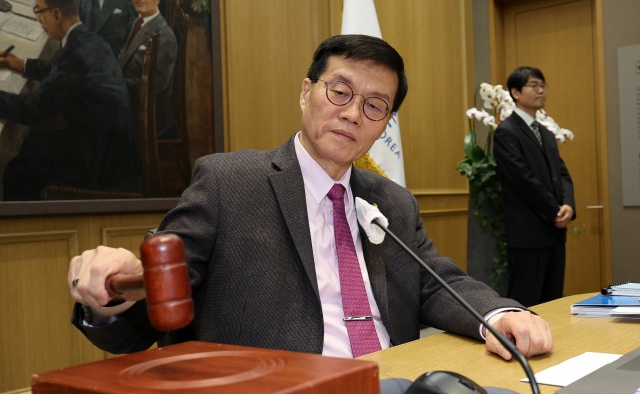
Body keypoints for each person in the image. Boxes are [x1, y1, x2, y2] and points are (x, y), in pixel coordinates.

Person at [68, 35, 553, 361]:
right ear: (306, 92)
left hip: (391, 380)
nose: (352, 114)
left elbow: (435, 282)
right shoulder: (229, 182)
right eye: (339, 91)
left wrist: (498, 313)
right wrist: (108, 294)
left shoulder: (393, 202)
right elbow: (154, 303)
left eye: (374, 106)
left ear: (384, 124)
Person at [0, 0, 139, 200]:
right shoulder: (88, 38)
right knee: (30, 147)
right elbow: (62, 72)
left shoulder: (71, 56)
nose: (39, 19)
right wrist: (23, 64)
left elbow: (30, 110)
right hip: (114, 147)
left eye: (39, 11)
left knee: (16, 168)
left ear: (56, 14)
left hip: (101, 163)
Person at [493, 67, 576, 307]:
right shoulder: (506, 132)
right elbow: (522, 179)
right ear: (516, 92)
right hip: (528, 233)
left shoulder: (546, 134)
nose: (541, 90)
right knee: (526, 301)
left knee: (553, 301)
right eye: (534, 85)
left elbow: (561, 174)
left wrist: (568, 205)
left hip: (554, 233)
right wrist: (553, 211)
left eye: (543, 85)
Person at [119, 0, 178, 139]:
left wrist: (121, 87)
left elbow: (158, 83)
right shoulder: (138, 22)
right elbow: (123, 59)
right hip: (130, 99)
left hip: (148, 112)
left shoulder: (165, 36)